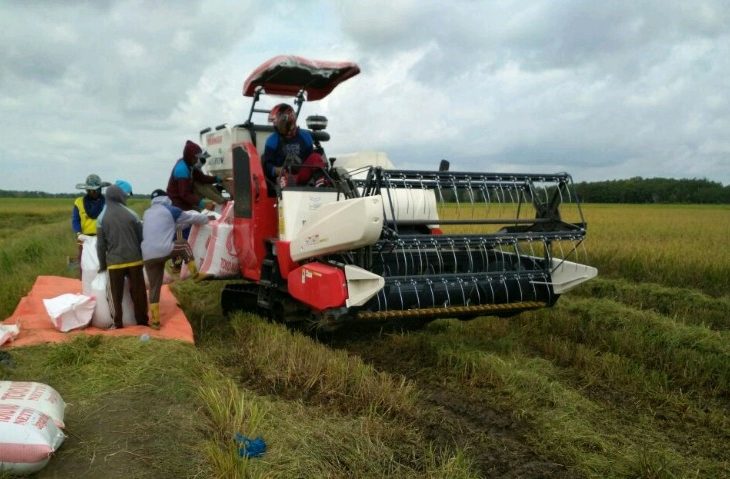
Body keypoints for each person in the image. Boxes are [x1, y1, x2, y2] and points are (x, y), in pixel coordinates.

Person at [141, 189, 212, 329]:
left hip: (147, 256)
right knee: (183, 244)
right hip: (163, 250)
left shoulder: (148, 213)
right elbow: (192, 219)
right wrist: (207, 219)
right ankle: (196, 275)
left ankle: (155, 321)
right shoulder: (171, 210)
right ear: (166, 198)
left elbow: (172, 226)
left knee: (155, 288)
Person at [96, 184, 148, 329]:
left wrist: (102, 265)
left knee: (115, 295)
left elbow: (100, 245)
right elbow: (141, 237)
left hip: (115, 262)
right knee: (139, 293)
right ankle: (142, 321)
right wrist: (140, 255)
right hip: (135, 260)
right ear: (120, 195)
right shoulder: (132, 214)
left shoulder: (102, 218)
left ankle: (117, 323)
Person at [262, 103, 328, 188]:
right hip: (283, 176)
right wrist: (278, 170)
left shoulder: (305, 136)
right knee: (284, 179)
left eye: (279, 123)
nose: (276, 126)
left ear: (290, 122)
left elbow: (311, 158)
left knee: (315, 157)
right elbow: (267, 166)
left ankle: (321, 186)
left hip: (302, 173)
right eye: (275, 123)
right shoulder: (272, 140)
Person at [167, 140, 224, 212]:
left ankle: (223, 200)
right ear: (190, 157)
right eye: (196, 158)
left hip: (186, 203)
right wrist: (202, 203)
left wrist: (217, 179)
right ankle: (222, 201)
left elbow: (202, 178)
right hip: (177, 205)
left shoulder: (189, 165)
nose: (197, 160)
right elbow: (184, 194)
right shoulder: (181, 170)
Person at [71, 174, 111, 275]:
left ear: (100, 190)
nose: (93, 193)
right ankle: (85, 282)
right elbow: (75, 220)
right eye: (90, 190)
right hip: (84, 237)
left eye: (95, 190)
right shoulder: (79, 202)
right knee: (83, 260)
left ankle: (104, 284)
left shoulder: (107, 202)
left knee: (104, 260)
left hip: (103, 237)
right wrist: (78, 233)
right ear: (86, 190)